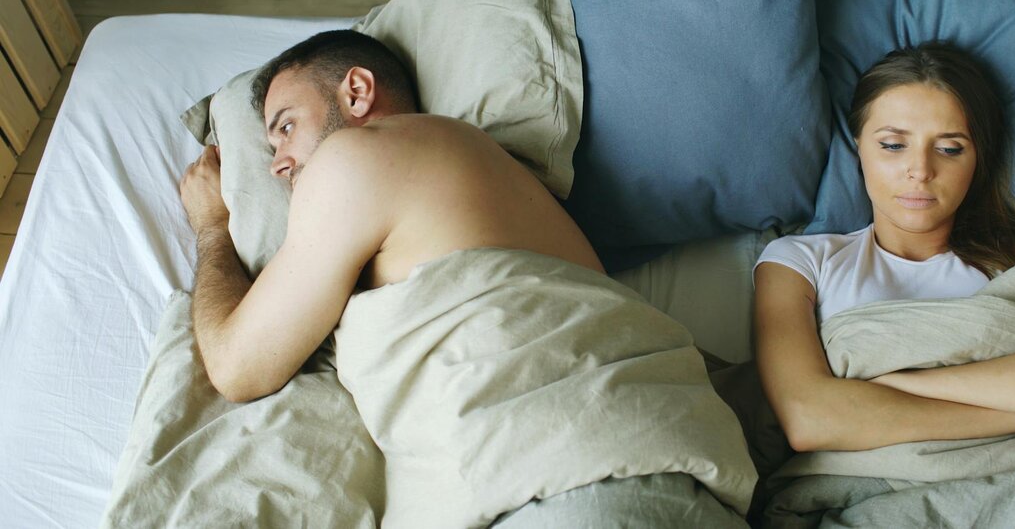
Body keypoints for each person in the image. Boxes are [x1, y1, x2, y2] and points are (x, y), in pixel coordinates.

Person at [177, 29, 752, 526]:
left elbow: (237, 367)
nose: (277, 162)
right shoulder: (497, 174)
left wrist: (211, 226)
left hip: (566, 485)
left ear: (355, 91)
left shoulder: (354, 157)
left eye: (285, 127)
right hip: (668, 464)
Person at [753, 42, 1015, 454]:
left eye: (950, 148)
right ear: (858, 145)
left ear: (978, 158)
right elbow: (811, 420)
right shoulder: (797, 262)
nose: (920, 171)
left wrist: (892, 386)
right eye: (893, 145)